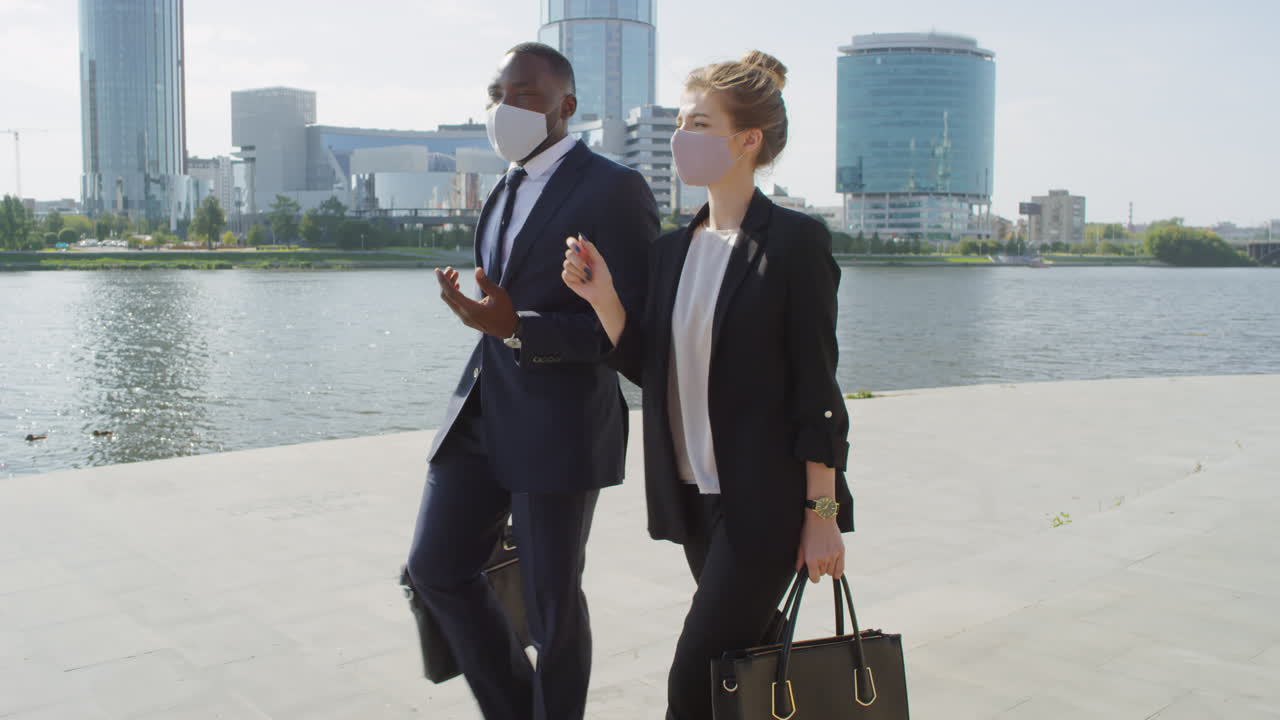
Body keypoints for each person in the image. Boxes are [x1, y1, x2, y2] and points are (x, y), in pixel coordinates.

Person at [561, 50, 854, 720]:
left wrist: (823, 516)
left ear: (747, 140)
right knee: (745, 660)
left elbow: (818, 393)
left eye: (698, 123)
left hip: (768, 505)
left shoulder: (795, 244)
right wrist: (604, 297)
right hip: (695, 501)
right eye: (681, 123)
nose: (680, 138)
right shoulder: (672, 251)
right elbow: (652, 372)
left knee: (693, 680)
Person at [405, 42, 658, 720]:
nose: (503, 109)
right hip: (483, 410)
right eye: (497, 94)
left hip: (560, 426)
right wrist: (486, 318)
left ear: (566, 106)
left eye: (523, 95)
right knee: (436, 568)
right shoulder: (505, 187)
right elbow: (504, 299)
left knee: (553, 614)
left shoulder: (613, 189)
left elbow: (628, 329)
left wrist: (520, 326)